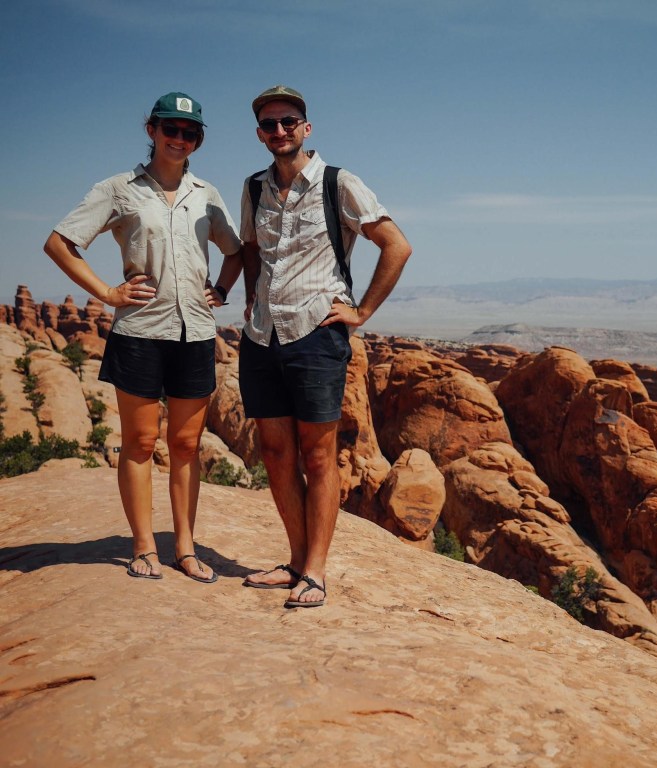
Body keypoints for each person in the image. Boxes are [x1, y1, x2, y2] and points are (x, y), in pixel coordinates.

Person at [44, 92, 243, 583]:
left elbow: (237, 252)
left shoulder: (206, 194)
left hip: (194, 331)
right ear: (151, 130)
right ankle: (142, 548)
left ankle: (186, 548)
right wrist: (108, 293)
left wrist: (221, 288)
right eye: (170, 129)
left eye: (189, 132)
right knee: (138, 441)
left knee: (186, 444)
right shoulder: (119, 189)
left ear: (198, 140)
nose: (179, 139)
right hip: (139, 331)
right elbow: (60, 243)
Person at [238, 85, 411, 608]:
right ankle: (294, 560)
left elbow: (396, 245)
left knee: (318, 456)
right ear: (260, 134)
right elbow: (251, 249)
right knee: (274, 453)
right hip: (262, 336)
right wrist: (249, 298)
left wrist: (361, 313)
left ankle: (315, 571)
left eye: (288, 121)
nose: (279, 131)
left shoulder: (338, 183)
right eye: (269, 125)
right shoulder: (253, 187)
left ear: (306, 128)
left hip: (316, 336)